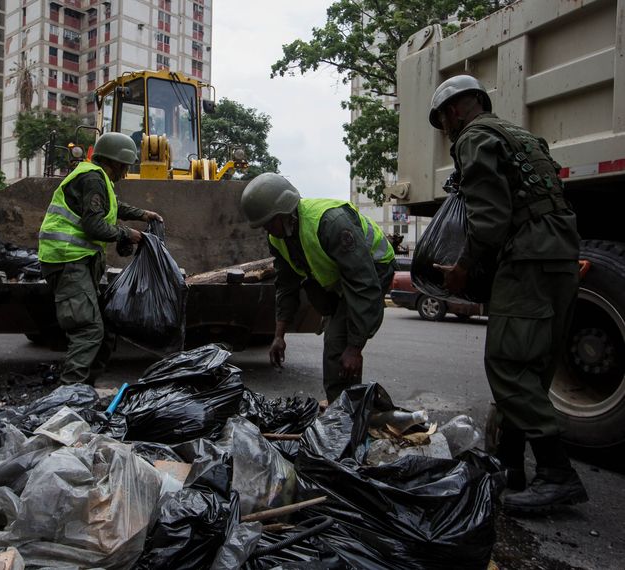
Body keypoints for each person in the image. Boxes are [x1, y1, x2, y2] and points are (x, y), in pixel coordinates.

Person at [429, 75, 588, 512]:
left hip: (527, 259)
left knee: (507, 364)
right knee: (533, 363)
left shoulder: (474, 137)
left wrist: (463, 269)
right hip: (560, 255)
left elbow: (491, 219)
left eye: (443, 118)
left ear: (457, 110)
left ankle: (558, 474)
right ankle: (511, 467)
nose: (445, 128)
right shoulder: (522, 136)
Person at [240, 173, 395, 403]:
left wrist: (355, 348)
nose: (266, 230)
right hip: (343, 276)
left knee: (338, 346)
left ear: (284, 212)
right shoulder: (279, 238)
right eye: (261, 225)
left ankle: (345, 417)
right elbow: (286, 285)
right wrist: (279, 336)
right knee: (336, 337)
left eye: (268, 223)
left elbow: (363, 284)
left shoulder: (330, 223)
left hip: (374, 268)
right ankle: (346, 410)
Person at [38, 132, 162, 385]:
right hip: (66, 259)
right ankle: (69, 396)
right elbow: (94, 226)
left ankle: (85, 389)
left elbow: (113, 206)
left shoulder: (97, 178)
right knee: (88, 329)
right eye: (125, 166)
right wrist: (129, 233)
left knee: (104, 330)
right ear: (115, 162)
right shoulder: (93, 178)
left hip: (77, 260)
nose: (126, 172)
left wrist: (143, 214)